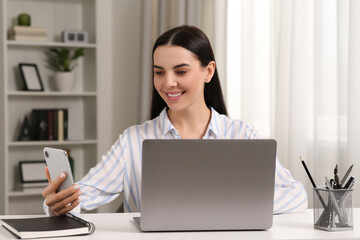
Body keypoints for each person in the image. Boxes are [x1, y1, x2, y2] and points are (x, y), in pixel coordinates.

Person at [42, 25, 308, 216]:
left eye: (181, 71)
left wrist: (224, 205)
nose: (168, 83)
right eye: (159, 72)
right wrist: (56, 202)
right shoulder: (135, 140)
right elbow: (84, 194)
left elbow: (296, 195)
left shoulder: (241, 134)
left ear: (208, 71)